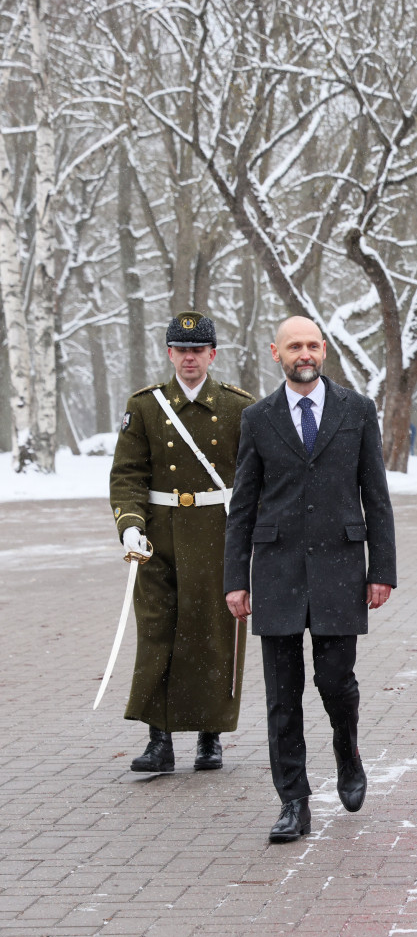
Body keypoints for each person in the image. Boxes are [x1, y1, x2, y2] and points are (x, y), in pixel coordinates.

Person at [224, 316, 397, 844]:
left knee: (335, 683)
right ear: (276, 352)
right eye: (293, 345)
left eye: (312, 345)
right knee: (282, 694)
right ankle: (293, 801)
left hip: (341, 566)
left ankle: (348, 754)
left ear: (323, 351)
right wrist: (236, 579)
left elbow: (376, 495)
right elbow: (243, 505)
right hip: (275, 569)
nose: (304, 353)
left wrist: (382, 570)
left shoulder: (357, 410)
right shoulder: (258, 418)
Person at [109, 312, 255, 773]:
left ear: (212, 354)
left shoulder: (239, 408)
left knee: (213, 633)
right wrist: (130, 524)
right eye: (181, 349)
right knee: (158, 632)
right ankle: (159, 740)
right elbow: (128, 473)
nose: (189, 358)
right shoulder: (147, 406)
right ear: (170, 353)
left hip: (218, 534)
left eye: (198, 350)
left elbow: (254, 478)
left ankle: (210, 737)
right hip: (158, 538)